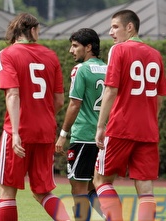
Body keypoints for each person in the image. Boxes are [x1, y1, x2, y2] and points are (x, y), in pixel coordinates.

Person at [0, 12, 70, 221]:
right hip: (45, 131)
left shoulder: (7, 54)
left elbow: (12, 94)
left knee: (8, 191)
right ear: (32, 30)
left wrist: (17, 133)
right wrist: (42, 116)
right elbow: (59, 100)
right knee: (42, 191)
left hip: (18, 131)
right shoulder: (51, 55)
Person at [94, 9, 166, 220]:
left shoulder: (118, 50)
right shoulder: (156, 55)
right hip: (148, 130)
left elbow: (111, 90)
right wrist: (150, 120)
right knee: (145, 188)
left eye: (115, 26)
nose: (111, 32)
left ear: (130, 27)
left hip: (121, 126)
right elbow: (159, 98)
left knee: (101, 180)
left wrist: (100, 126)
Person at [55, 28, 106, 221]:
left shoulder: (81, 70)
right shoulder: (109, 68)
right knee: (93, 186)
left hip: (84, 135)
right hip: (102, 137)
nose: (71, 50)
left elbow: (75, 103)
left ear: (89, 47)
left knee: (78, 189)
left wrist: (63, 133)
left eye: (75, 46)